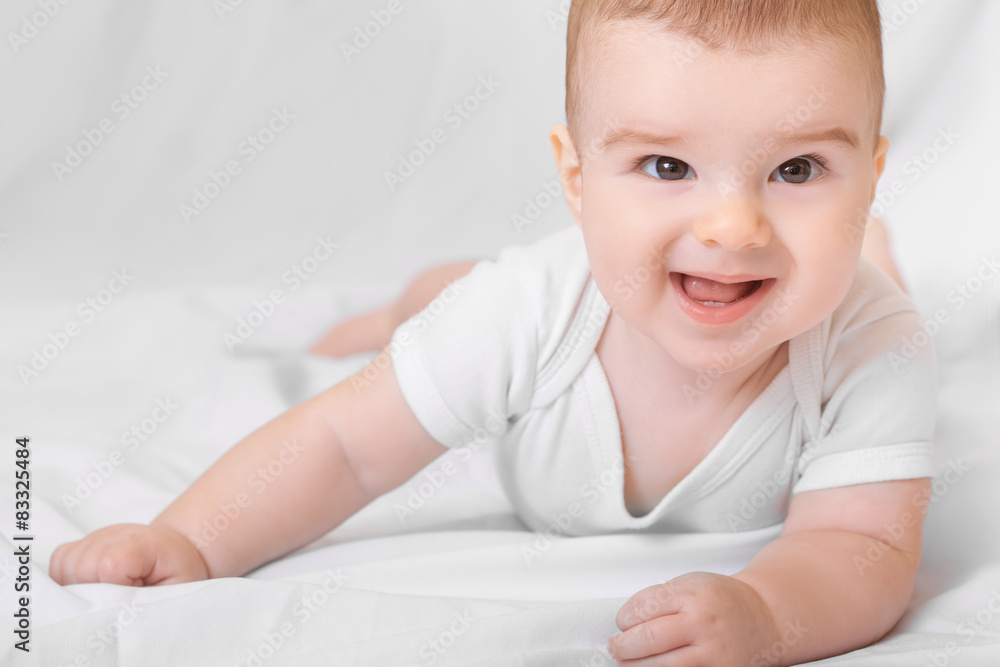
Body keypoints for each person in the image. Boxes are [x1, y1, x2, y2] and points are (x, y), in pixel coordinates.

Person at [51, 1, 938, 664]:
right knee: (450, 304)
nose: (733, 227)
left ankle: (878, 252)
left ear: (870, 177)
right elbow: (344, 445)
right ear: (578, 176)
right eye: (667, 165)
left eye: (798, 168)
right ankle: (409, 302)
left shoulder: (872, 345)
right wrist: (195, 540)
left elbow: (862, 546)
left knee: (864, 287)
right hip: (518, 306)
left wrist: (766, 617)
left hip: (841, 291)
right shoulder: (526, 311)